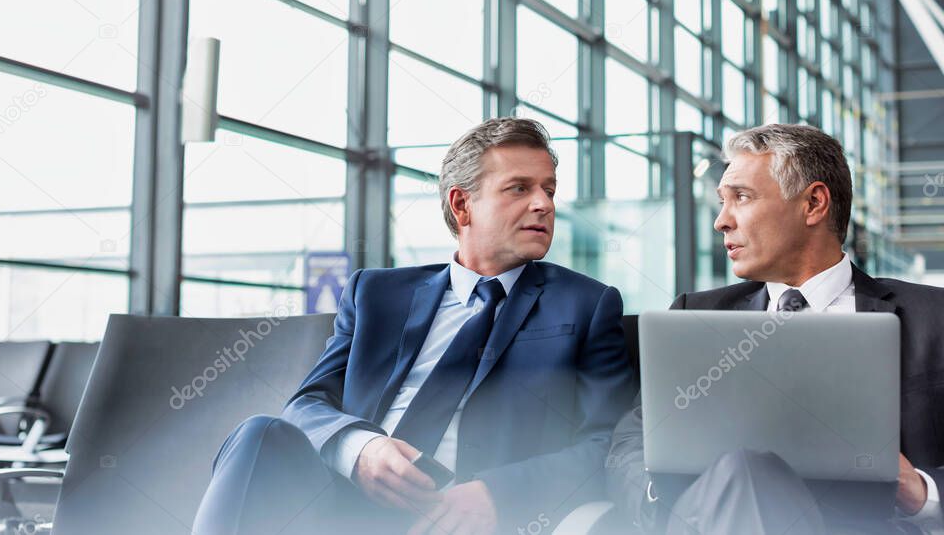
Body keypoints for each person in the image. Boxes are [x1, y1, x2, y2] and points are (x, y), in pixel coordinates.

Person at [193, 117, 636, 534]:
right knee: (259, 434)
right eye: (519, 188)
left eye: (549, 190)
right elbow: (307, 404)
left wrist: (500, 495)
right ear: (462, 205)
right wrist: (359, 449)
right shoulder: (375, 294)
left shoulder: (587, 304)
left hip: (457, 515)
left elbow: (610, 443)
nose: (543, 204)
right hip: (339, 504)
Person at [606, 123, 944, 535]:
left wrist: (922, 491)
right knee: (745, 475)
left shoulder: (934, 319)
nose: (721, 222)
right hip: (720, 518)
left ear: (814, 204)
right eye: (721, 201)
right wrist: (662, 493)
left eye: (741, 198)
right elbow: (629, 444)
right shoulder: (694, 315)